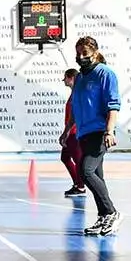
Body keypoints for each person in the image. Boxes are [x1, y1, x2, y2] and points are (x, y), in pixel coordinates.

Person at [70, 36, 123, 236]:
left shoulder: (105, 74)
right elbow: (75, 106)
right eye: (78, 53)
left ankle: (111, 212)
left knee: (86, 172)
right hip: (84, 133)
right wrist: (68, 130)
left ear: (95, 52)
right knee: (97, 175)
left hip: (99, 131)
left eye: (84, 53)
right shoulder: (81, 77)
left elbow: (113, 105)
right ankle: (103, 217)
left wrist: (109, 131)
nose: (81, 57)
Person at [57, 68, 85, 197]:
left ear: (71, 78)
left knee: (78, 160)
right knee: (65, 157)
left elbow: (74, 117)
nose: (63, 80)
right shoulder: (74, 93)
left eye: (65, 78)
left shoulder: (77, 94)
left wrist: (66, 133)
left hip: (74, 133)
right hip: (71, 132)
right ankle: (77, 184)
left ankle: (80, 187)